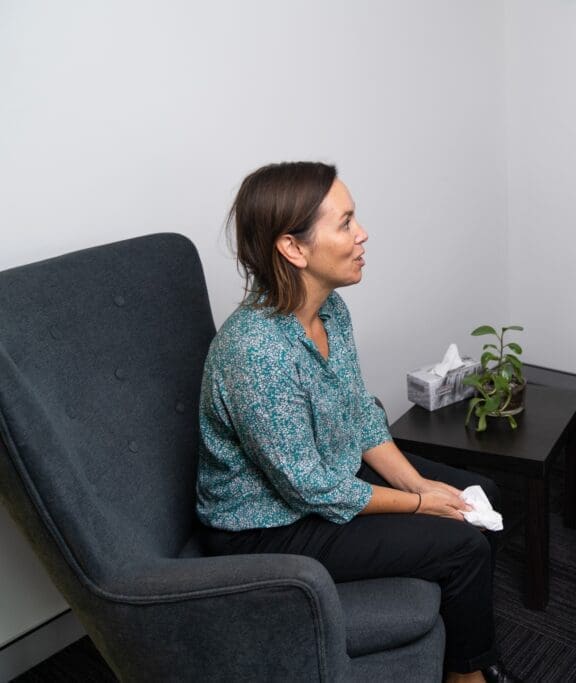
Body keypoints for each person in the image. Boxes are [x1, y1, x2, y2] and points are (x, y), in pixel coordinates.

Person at [195, 161, 520, 683]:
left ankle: (474, 650)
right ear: (294, 248)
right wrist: (418, 504)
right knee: (460, 542)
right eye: (345, 223)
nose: (362, 234)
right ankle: (467, 676)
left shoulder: (331, 311)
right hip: (268, 527)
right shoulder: (255, 352)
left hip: (326, 479)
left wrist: (418, 482)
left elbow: (359, 417)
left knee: (481, 492)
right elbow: (309, 490)